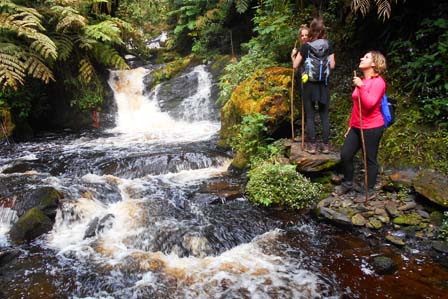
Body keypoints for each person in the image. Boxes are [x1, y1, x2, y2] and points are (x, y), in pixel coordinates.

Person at [334, 51, 387, 202]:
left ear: (374, 64)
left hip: (372, 126)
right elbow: (356, 107)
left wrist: (361, 86)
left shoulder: (378, 82)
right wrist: (351, 125)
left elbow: (369, 104)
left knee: (369, 158)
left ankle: (369, 190)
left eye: (366, 57)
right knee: (346, 154)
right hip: (357, 125)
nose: (361, 58)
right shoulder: (362, 80)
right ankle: (348, 182)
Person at [291, 18, 335, 154]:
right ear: (323, 31)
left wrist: (294, 56)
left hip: (309, 85)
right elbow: (332, 65)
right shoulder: (328, 45)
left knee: (310, 115)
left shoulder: (306, 47)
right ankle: (326, 145)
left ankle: (313, 146)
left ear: (311, 30)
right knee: (324, 116)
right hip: (324, 84)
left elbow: (295, 65)